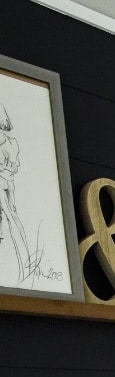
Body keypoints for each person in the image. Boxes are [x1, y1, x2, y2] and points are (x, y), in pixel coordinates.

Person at [0, 104, 29, 286]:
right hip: (9, 182)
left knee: (10, 217)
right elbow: (15, 166)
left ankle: (24, 257)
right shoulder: (13, 142)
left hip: (3, 182)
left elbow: (11, 166)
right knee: (11, 216)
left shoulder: (7, 143)